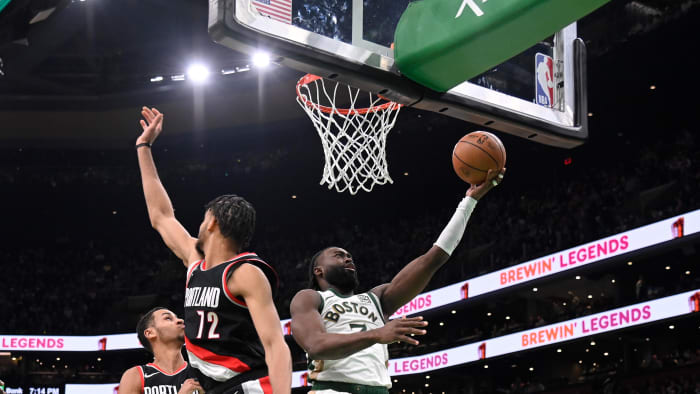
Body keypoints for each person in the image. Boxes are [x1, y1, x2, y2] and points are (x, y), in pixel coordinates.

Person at [290, 168, 504, 394]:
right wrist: (376, 334)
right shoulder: (310, 298)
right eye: (338, 255)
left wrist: (469, 201)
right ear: (318, 271)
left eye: (348, 255)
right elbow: (316, 346)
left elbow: (433, 258)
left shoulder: (377, 298)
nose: (347, 257)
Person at [135, 107, 291, 393]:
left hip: (248, 384)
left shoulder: (245, 273)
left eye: (204, 218)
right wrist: (143, 147)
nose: (199, 223)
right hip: (213, 386)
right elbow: (161, 216)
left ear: (213, 224)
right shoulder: (196, 262)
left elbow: (275, 344)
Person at [118, 307, 203, 394]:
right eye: (168, 318)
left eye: (177, 317)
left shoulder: (202, 373)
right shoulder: (136, 376)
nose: (180, 320)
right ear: (150, 333)